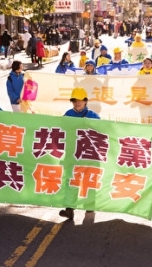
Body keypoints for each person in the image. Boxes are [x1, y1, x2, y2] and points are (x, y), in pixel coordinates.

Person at [59, 87, 100, 220]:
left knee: (89, 180)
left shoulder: (93, 116)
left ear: (85, 101)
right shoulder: (68, 114)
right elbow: (60, 129)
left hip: (89, 154)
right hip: (73, 153)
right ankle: (69, 208)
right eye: (75, 101)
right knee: (71, 180)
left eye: (80, 101)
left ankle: (90, 204)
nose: (77, 103)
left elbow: (102, 132)